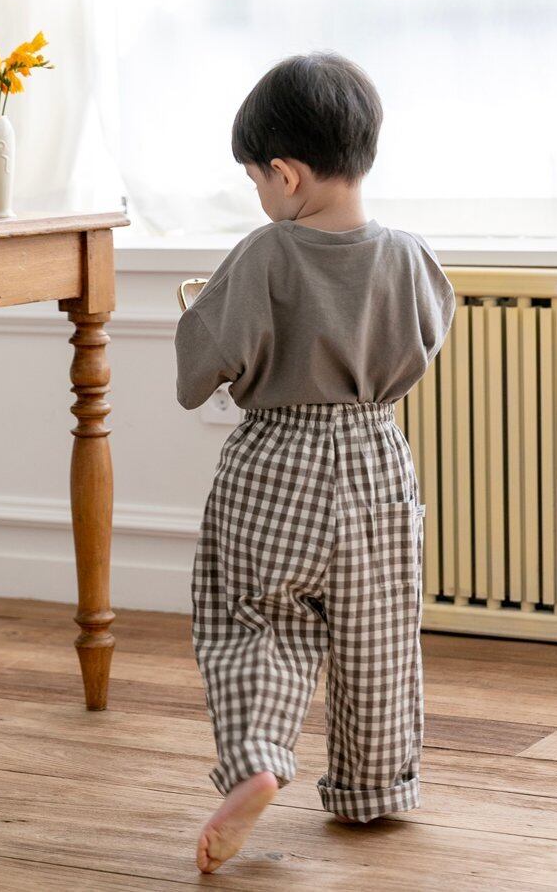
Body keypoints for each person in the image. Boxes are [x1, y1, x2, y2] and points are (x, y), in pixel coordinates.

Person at [174, 52, 456, 873]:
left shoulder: (264, 254)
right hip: (376, 457)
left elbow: (199, 371)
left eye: (256, 179)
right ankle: (374, 787)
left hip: (276, 462)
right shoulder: (409, 256)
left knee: (256, 620)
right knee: (378, 631)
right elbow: (425, 339)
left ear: (287, 174)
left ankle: (258, 757)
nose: (259, 196)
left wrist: (203, 317)